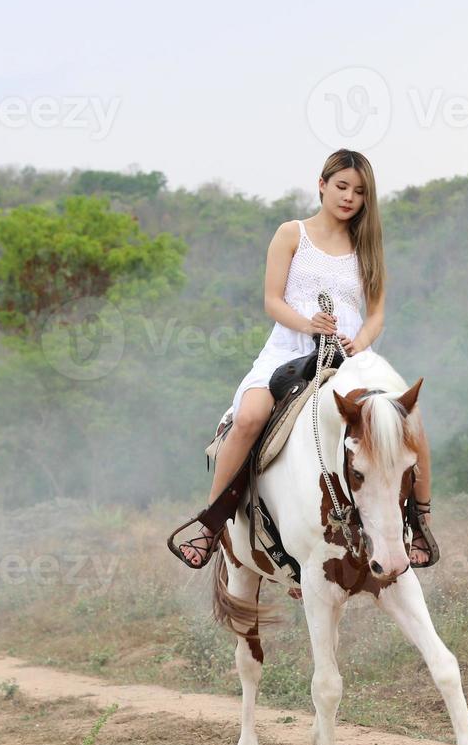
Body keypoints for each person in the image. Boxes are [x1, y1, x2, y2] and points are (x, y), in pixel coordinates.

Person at [171, 148, 437, 570]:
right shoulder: (291, 234)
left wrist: (359, 341)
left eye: (359, 191)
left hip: (350, 359)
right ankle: (211, 524)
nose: (349, 197)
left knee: (409, 421)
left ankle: (419, 521)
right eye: (342, 186)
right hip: (289, 351)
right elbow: (272, 301)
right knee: (249, 417)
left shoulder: (367, 245)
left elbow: (377, 314)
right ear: (322, 184)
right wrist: (308, 324)